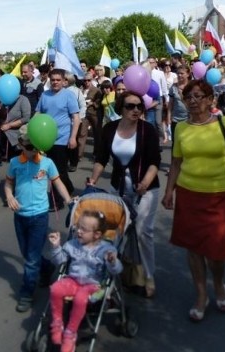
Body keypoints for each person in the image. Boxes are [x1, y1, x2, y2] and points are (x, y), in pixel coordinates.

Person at [161, 79, 225, 322]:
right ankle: (201, 293)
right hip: (188, 193)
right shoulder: (181, 129)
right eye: (189, 97)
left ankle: (218, 284)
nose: (194, 101)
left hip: (219, 195)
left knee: (216, 250)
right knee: (193, 247)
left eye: (199, 96)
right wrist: (169, 192)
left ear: (210, 100)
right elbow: (175, 163)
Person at [87, 91, 161, 298]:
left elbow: (155, 161)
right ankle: (116, 275)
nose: (136, 110)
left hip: (146, 188)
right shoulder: (110, 129)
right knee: (115, 232)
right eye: (130, 106)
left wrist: (145, 182)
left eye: (139, 106)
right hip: (118, 187)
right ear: (121, 108)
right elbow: (101, 158)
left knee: (142, 231)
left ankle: (148, 275)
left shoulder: (147, 130)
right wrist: (92, 180)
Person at [4, 125, 73, 313]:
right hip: (20, 217)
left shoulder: (47, 163)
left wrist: (68, 200)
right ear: (20, 144)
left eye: (37, 146)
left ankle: (27, 292)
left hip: (40, 216)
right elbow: (8, 183)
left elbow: (58, 182)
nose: (34, 150)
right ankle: (47, 267)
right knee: (28, 254)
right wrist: (9, 196)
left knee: (31, 258)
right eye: (30, 146)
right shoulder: (14, 163)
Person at [48, 210, 123, 351]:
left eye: (84, 229)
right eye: (78, 227)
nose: (79, 231)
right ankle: (57, 324)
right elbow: (60, 261)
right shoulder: (72, 244)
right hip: (73, 280)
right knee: (55, 289)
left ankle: (70, 333)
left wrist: (113, 262)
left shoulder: (106, 249)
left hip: (94, 286)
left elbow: (117, 271)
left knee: (80, 298)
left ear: (97, 234)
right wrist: (56, 247)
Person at [35, 68, 80, 204]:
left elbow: (76, 118)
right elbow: (37, 114)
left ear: (63, 81)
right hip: (46, 140)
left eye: (58, 80)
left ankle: (58, 201)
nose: (55, 82)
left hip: (62, 139)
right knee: (50, 169)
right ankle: (69, 189)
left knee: (58, 170)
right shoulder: (45, 95)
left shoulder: (68, 95)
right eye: (53, 80)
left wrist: (73, 138)